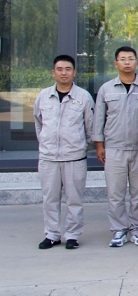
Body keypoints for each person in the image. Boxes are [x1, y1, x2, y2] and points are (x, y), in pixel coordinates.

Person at [35, 55, 95, 250]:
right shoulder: (43, 96)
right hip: (48, 158)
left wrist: (80, 146)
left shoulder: (83, 97)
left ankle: (72, 235)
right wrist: (46, 143)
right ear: (53, 72)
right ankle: (52, 234)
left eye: (68, 69)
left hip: (74, 157)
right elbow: (38, 123)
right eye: (59, 69)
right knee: (50, 199)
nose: (64, 73)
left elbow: (90, 127)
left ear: (74, 72)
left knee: (74, 199)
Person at [93, 46, 138, 248]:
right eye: (123, 59)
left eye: (130, 58)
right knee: (115, 193)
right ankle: (118, 229)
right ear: (116, 63)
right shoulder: (106, 89)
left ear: (137, 62)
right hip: (114, 148)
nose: (127, 62)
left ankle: (137, 229)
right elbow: (99, 119)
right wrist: (99, 145)